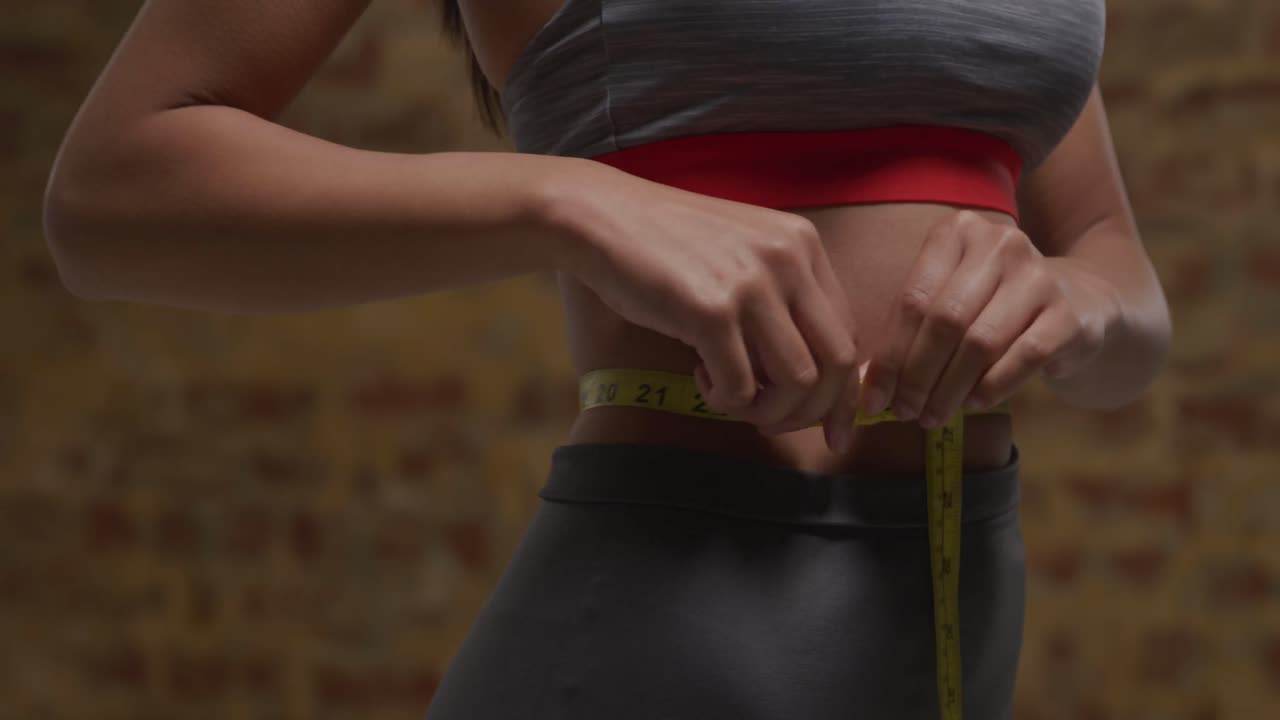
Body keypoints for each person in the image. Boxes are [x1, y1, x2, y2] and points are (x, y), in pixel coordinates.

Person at [42, 0, 1172, 718]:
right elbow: (108, 198)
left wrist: (1074, 306)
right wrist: (566, 201)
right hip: (657, 607)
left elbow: (1117, 273)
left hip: (950, 603)